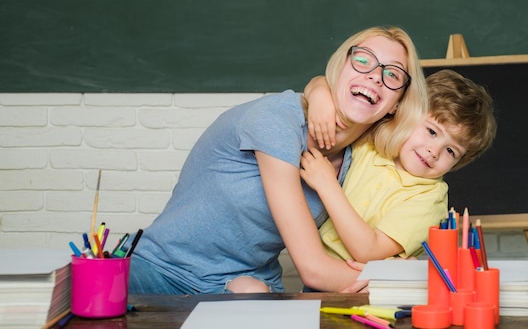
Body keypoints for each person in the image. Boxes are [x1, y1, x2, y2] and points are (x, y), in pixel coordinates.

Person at [127, 26, 429, 295]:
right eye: (363, 60)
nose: (375, 75)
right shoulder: (276, 119)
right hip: (161, 272)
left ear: (395, 105)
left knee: (255, 294)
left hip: (246, 283)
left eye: (392, 74)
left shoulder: (360, 158)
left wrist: (399, 266)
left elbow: (382, 223)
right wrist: (400, 280)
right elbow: (313, 269)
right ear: (338, 69)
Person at [300, 69, 497, 262]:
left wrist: (327, 186)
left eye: (450, 151)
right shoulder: (372, 138)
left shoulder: (429, 201)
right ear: (408, 114)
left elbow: (368, 251)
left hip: (366, 290)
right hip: (316, 270)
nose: (434, 151)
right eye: (431, 131)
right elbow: (319, 82)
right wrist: (319, 97)